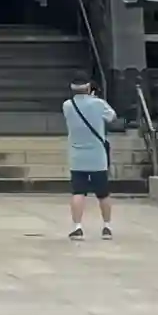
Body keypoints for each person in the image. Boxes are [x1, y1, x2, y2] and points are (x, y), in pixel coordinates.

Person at [62, 69, 119, 240]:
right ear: (89, 87)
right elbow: (112, 117)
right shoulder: (99, 104)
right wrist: (94, 98)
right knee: (103, 193)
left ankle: (77, 227)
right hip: (97, 156)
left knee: (78, 192)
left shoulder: (67, 106)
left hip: (77, 156)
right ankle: (107, 226)